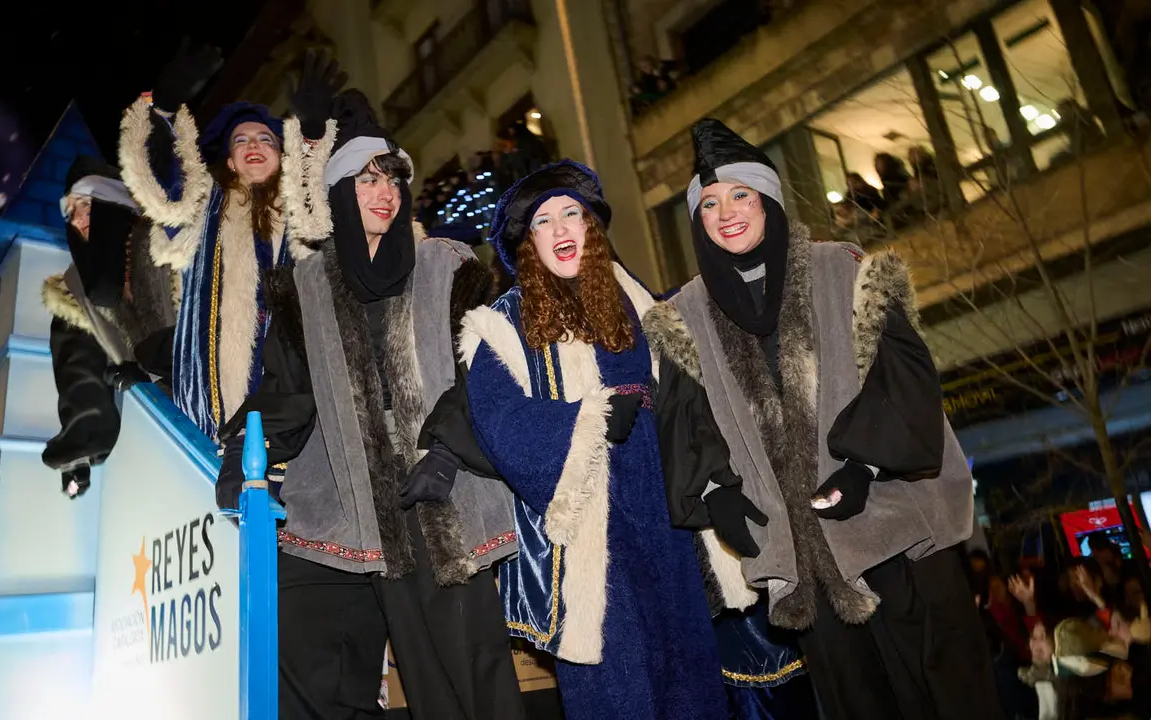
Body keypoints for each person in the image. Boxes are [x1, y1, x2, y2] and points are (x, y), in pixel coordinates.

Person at [643, 118, 1002, 720]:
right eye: (708, 203)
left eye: (740, 195)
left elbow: (903, 376)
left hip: (893, 529)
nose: (726, 212)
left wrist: (863, 464)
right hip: (801, 560)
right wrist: (718, 496)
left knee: (945, 694)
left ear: (768, 200)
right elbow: (686, 426)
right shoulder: (683, 319)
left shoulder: (845, 268)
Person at [214, 79, 524, 719]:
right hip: (356, 510)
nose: (384, 193)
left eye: (392, 179)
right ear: (337, 192)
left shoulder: (449, 266)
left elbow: (487, 369)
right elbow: (286, 393)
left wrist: (446, 449)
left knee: (473, 677)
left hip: (444, 495)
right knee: (370, 673)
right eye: (367, 179)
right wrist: (240, 457)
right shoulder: (307, 288)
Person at [458, 160, 728, 719]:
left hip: (668, 508)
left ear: (592, 227)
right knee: (617, 686)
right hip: (590, 529)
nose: (560, 230)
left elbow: (691, 395)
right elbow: (500, 421)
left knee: (692, 678)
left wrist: (717, 481)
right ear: (527, 242)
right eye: (544, 221)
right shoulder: (504, 325)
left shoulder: (642, 303)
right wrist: (592, 419)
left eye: (571, 215)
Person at [117, 48, 339, 442]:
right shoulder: (204, 210)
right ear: (233, 161)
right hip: (208, 389)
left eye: (265, 139)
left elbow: (320, 215)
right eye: (242, 140)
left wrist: (313, 134)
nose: (253, 144)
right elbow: (164, 184)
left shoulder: (301, 211)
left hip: (293, 393)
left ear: (280, 154)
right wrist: (162, 110)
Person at [41, 155, 178, 498]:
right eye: (71, 212)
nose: (79, 219)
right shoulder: (77, 295)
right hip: (165, 434)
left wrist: (162, 367)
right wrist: (79, 453)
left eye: (87, 204)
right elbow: (80, 376)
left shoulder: (170, 245)